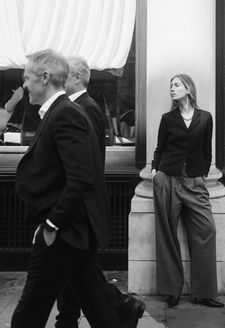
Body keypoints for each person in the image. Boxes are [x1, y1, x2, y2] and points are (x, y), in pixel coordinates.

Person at [11, 49, 123, 328]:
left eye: (27, 78)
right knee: (98, 304)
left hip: (63, 232)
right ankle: (125, 314)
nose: (25, 86)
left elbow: (82, 178)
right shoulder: (59, 112)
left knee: (29, 311)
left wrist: (51, 224)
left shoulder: (66, 114)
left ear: (45, 77)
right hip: (71, 231)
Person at [54, 55, 145, 328]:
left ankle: (119, 306)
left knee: (79, 271)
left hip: (83, 205)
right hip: (78, 205)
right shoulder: (76, 106)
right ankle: (70, 318)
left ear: (78, 77)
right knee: (75, 270)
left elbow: (87, 162)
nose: (60, 80)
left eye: (65, 75)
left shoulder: (87, 107)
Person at [151, 74, 224, 308]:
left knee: (206, 230)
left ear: (188, 89)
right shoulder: (167, 118)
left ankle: (204, 292)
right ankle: (171, 290)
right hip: (168, 179)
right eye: (170, 85)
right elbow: (160, 148)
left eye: (176, 85)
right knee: (167, 235)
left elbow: (206, 150)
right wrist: (155, 173)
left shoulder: (205, 118)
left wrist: (201, 173)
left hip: (194, 181)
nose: (171, 89)